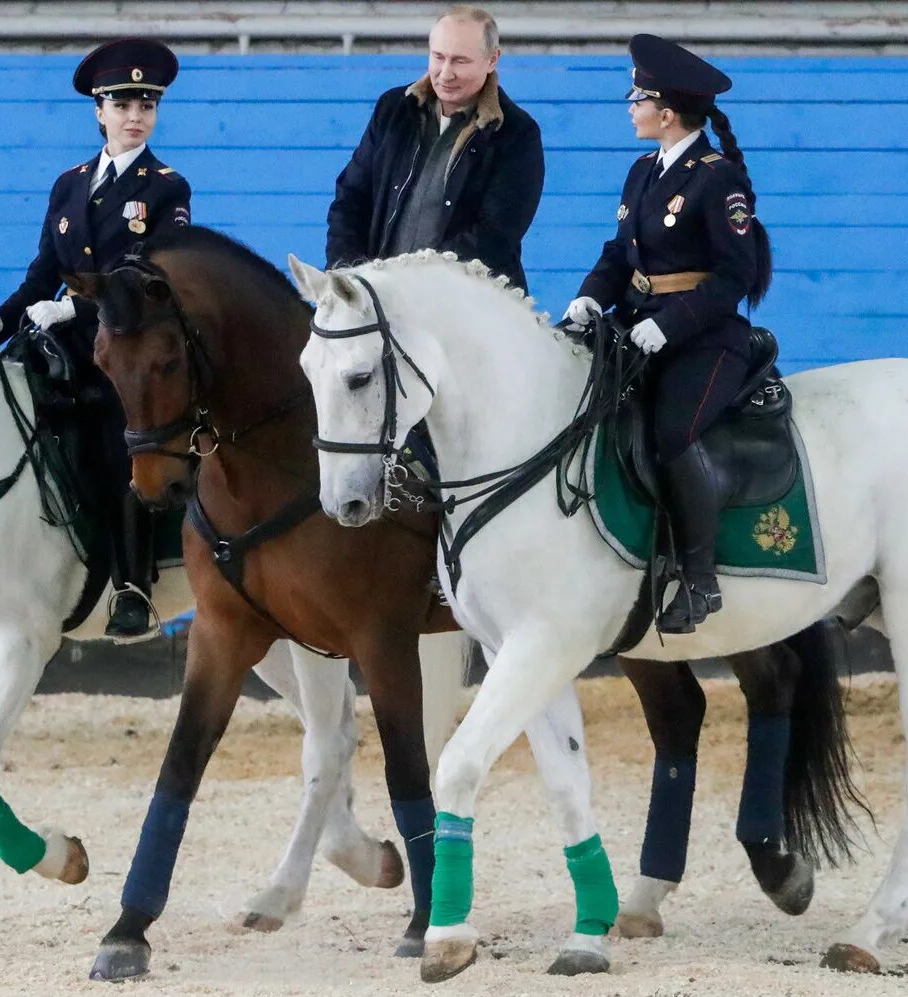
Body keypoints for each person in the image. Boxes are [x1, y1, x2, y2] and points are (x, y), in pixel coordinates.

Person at [0, 37, 192, 641]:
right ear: (99, 111)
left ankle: (130, 585)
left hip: (124, 355)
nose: (135, 116)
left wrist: (74, 308)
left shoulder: (167, 188)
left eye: (146, 105)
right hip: (60, 346)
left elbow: (151, 277)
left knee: (114, 443)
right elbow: (41, 273)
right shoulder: (69, 185)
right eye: (122, 104)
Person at [564, 34, 774, 633]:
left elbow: (736, 274)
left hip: (705, 339)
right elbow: (618, 253)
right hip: (636, 330)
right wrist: (589, 298)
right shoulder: (641, 172)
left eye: (638, 96)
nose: (630, 106)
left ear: (667, 111)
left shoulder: (718, 179)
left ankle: (699, 578)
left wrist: (669, 323)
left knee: (672, 433)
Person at [325, 5, 544, 291]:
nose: (445, 73)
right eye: (438, 57)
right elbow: (351, 197)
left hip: (468, 306)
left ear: (492, 60)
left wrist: (416, 284)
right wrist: (348, 276)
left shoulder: (517, 133)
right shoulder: (393, 109)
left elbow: (495, 236)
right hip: (379, 300)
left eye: (460, 61)